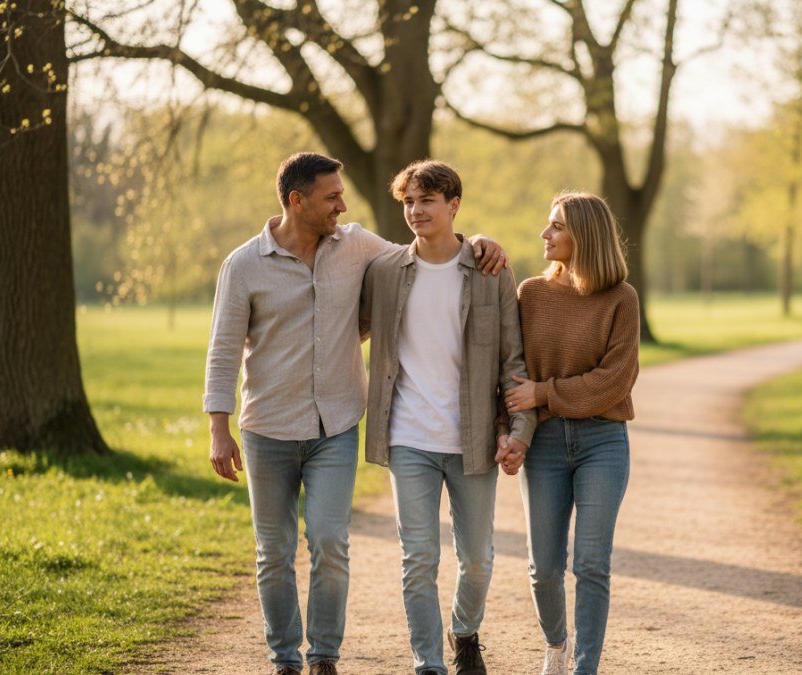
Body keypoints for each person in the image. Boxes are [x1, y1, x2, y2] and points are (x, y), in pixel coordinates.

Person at [203, 152, 506, 675]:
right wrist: (218, 428)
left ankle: (323, 656)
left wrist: (477, 240)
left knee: (328, 540)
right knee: (273, 550)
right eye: (331, 197)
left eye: (342, 194)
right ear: (297, 201)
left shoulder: (357, 245)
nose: (342, 204)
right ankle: (284, 658)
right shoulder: (245, 264)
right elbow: (223, 348)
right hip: (267, 428)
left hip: (336, 425)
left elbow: (426, 255)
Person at [359, 160, 536, 675]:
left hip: (473, 437)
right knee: (418, 560)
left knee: (478, 558)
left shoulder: (490, 271)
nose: (415, 211)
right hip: (408, 436)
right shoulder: (386, 271)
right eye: (409, 202)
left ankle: (464, 633)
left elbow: (512, 360)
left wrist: (519, 432)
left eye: (427, 201)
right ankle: (428, 663)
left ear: (453, 205)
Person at [504, 192, 640, 675]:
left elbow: (615, 381)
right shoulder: (531, 294)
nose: (545, 235)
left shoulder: (621, 299)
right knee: (543, 569)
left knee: (591, 564)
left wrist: (545, 393)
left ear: (584, 235)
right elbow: (512, 371)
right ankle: (557, 644)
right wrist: (511, 431)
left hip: (603, 442)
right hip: (542, 446)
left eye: (556, 226)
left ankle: (585, 668)